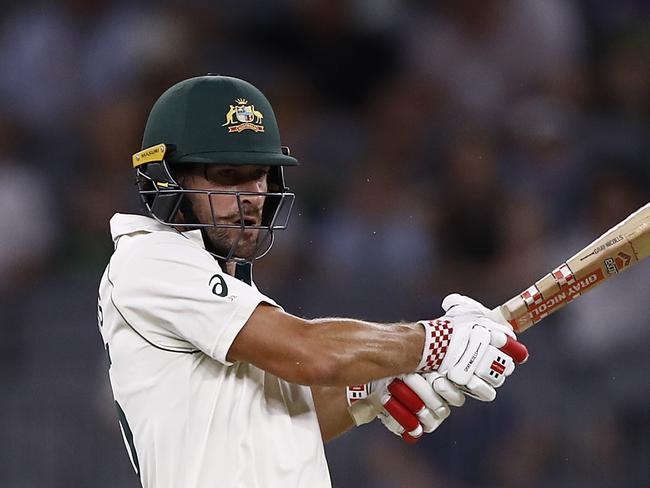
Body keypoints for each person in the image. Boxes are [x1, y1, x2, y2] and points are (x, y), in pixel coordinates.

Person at [97, 75, 528, 488]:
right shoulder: (147, 259)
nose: (251, 194)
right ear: (167, 178)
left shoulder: (230, 293)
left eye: (260, 174)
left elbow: (286, 428)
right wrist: (436, 341)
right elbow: (311, 352)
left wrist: (373, 388)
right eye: (226, 174)